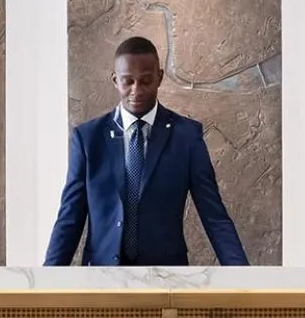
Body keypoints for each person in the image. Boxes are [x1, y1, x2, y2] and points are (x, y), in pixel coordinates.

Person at [44, 35, 249, 266]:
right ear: (115, 80)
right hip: (102, 279)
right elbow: (70, 218)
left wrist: (243, 280)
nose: (136, 90)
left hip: (166, 279)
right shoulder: (88, 139)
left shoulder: (187, 137)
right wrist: (47, 282)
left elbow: (215, 218)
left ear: (159, 78)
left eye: (145, 80)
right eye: (127, 81)